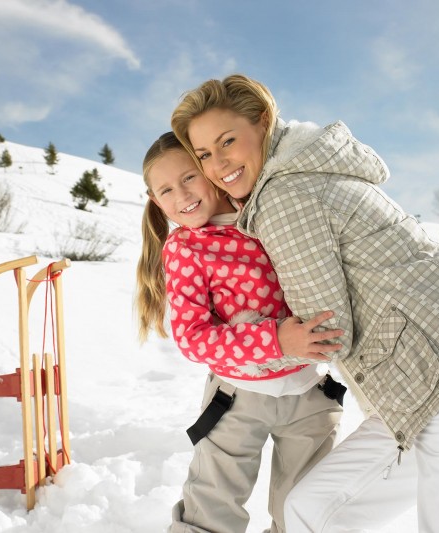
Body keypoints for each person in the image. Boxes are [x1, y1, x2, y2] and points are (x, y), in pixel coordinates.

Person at [171, 74, 439, 532]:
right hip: (427, 391)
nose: (217, 163)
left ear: (263, 122)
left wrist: (256, 336)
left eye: (228, 141)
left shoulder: (284, 195)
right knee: (311, 510)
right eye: (204, 154)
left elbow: (326, 331)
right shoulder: (299, 173)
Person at [135, 131, 346, 533]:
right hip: (239, 398)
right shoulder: (188, 247)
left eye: (188, 178)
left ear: (209, 172)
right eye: (166, 190)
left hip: (310, 392)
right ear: (155, 201)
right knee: (212, 507)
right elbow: (194, 338)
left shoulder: (266, 212)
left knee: (304, 513)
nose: (181, 195)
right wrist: (277, 340)